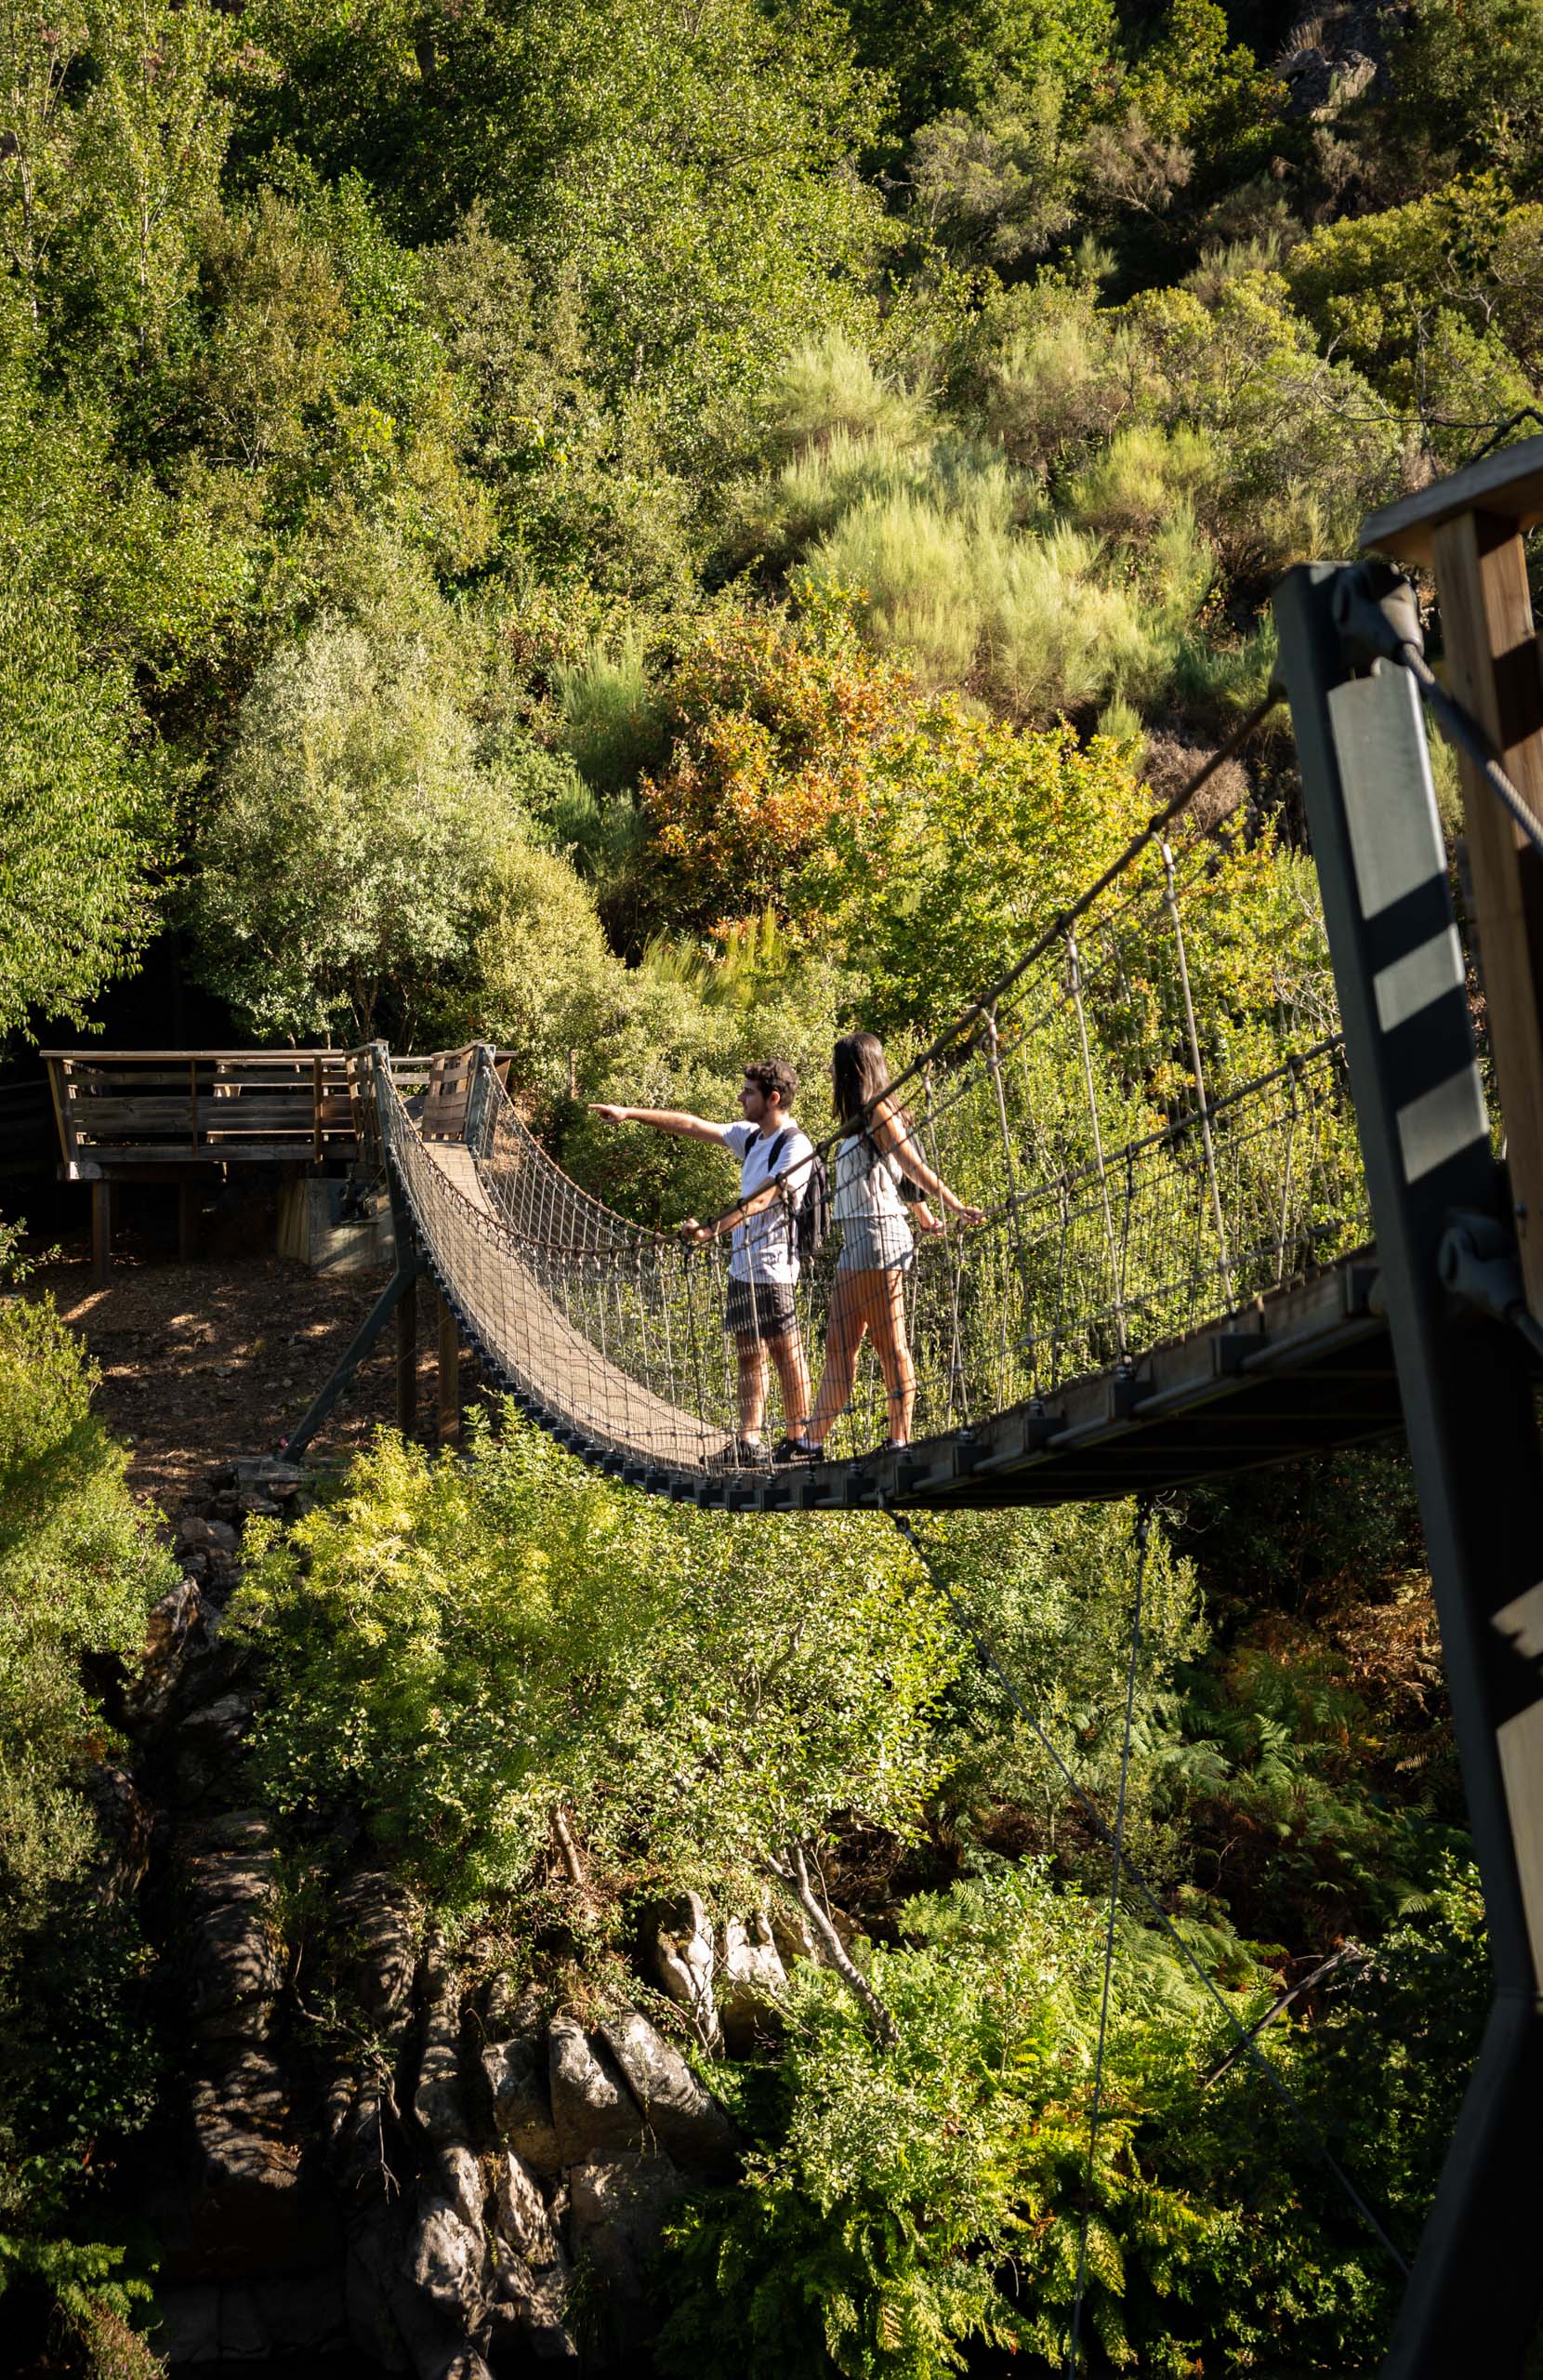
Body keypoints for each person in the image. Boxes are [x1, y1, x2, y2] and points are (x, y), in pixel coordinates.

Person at [588, 1060, 816, 1466]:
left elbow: (766, 1196)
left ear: (773, 1098)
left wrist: (713, 1229)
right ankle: (749, 1442)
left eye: (749, 1092)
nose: (741, 1097)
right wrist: (630, 1113)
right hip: (743, 1267)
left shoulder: (795, 1144)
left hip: (774, 1267)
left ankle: (801, 1441)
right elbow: (693, 1125)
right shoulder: (751, 1136)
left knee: (786, 1352)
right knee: (749, 1353)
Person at [785, 1031, 985, 1459]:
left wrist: (954, 1205)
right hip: (857, 1238)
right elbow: (896, 1173)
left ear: (853, 1071)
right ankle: (810, 1442)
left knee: (890, 1344)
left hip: (878, 1235)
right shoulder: (861, 1120)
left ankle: (899, 1440)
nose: (831, 1075)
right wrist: (926, 1216)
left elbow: (912, 1162)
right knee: (838, 1344)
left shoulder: (879, 1110)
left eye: (836, 1067)